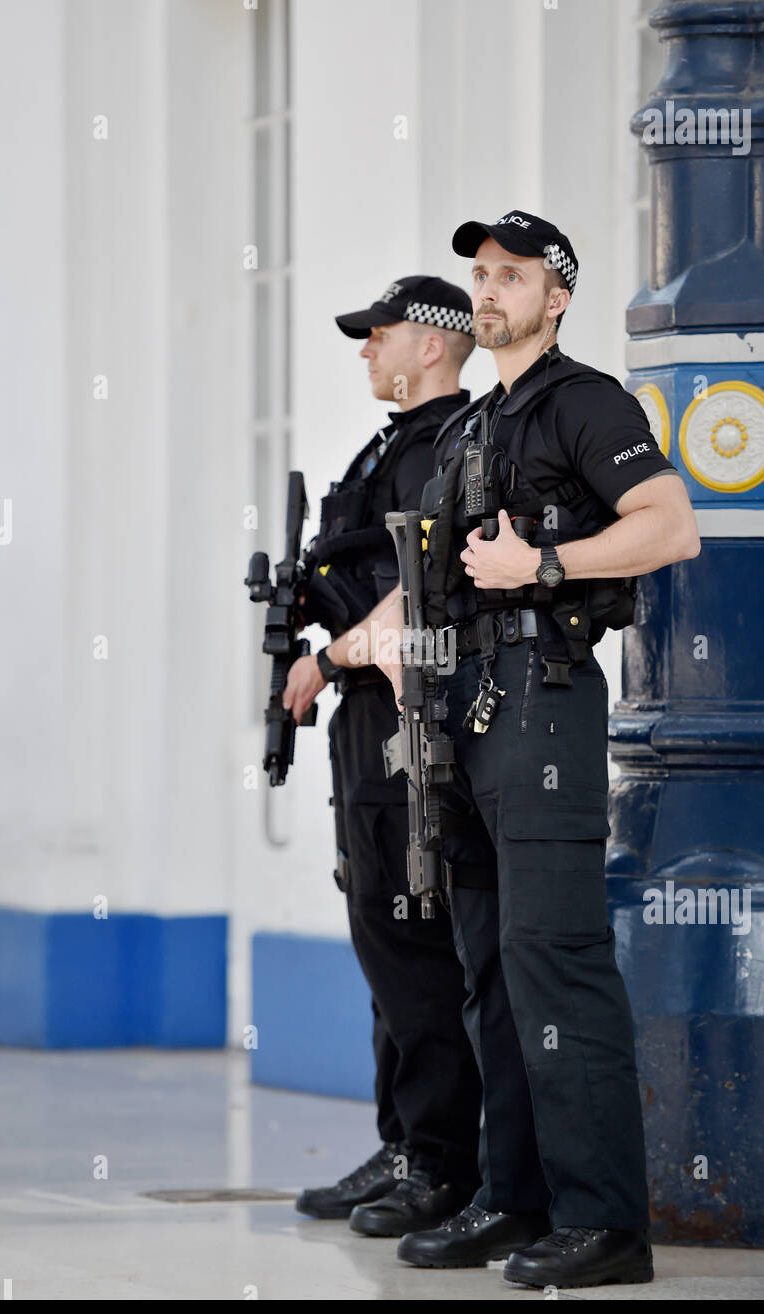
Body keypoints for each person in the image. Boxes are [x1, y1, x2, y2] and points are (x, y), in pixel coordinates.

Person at [315, 210, 701, 1287]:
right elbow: (427, 574)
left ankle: (604, 1223)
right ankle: (513, 1196)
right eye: (479, 274)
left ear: (556, 296)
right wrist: (369, 643)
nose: (488, 290)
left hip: (544, 701)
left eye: (512, 275)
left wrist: (543, 565)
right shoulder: (472, 424)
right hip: (462, 714)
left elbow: (670, 524)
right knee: (484, 968)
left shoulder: (582, 402)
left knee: (553, 958)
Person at [285, 276, 483, 1238]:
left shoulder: (446, 445)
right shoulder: (394, 444)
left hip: (409, 715)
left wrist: (326, 657)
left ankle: (441, 1162)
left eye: (380, 334)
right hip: (367, 712)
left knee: (411, 937)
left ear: (437, 344)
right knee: (379, 928)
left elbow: (419, 591)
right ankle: (403, 1139)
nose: (365, 350)